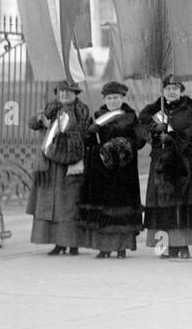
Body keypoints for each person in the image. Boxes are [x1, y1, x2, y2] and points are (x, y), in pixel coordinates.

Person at [139, 75, 192, 259]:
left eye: (175, 88)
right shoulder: (152, 111)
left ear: (181, 90)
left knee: (182, 203)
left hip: (183, 161)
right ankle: (166, 245)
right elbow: (142, 131)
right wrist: (155, 132)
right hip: (161, 162)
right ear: (163, 90)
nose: (172, 91)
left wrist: (173, 138)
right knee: (163, 202)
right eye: (168, 88)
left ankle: (183, 245)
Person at [27, 80, 93, 255]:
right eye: (62, 92)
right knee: (53, 206)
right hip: (49, 166)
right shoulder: (51, 109)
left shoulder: (82, 111)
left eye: (69, 92)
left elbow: (84, 133)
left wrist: (61, 134)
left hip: (71, 165)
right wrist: (43, 120)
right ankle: (58, 243)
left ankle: (73, 243)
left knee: (70, 205)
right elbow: (32, 123)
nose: (64, 95)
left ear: (75, 94)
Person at [79, 81, 144, 258]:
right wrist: (90, 133)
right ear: (104, 99)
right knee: (104, 208)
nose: (113, 101)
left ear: (122, 98)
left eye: (116, 97)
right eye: (109, 98)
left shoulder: (131, 117)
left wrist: (121, 146)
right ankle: (104, 248)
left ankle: (122, 247)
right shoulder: (97, 116)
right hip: (101, 172)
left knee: (121, 208)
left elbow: (139, 141)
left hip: (124, 171)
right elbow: (86, 142)